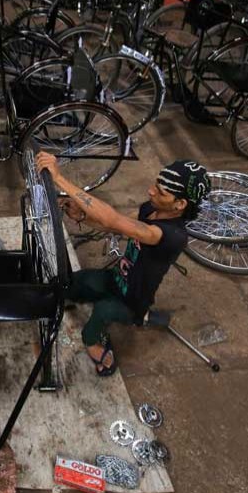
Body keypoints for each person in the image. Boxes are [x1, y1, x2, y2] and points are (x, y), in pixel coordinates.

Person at [35, 152, 210, 376]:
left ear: (180, 204)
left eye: (161, 192)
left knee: (100, 316)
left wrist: (59, 179)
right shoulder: (151, 210)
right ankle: (64, 298)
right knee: (78, 281)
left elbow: (112, 219)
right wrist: (81, 216)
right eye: (156, 184)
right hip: (118, 278)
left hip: (132, 300)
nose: (151, 191)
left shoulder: (171, 235)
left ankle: (97, 343)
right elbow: (116, 226)